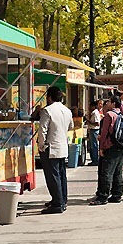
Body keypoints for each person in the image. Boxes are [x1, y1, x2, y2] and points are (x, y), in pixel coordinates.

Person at [38, 86, 74, 214]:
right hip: (62, 146)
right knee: (61, 175)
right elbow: (71, 127)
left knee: (53, 176)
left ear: (49, 97)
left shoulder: (47, 111)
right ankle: (62, 199)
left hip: (50, 147)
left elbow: (42, 130)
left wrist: (41, 145)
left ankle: (58, 203)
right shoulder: (67, 111)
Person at [90, 95, 123, 205]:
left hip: (110, 147)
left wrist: (101, 148)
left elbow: (105, 132)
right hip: (120, 146)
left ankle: (103, 196)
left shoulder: (109, 115)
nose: (107, 103)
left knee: (106, 172)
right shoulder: (121, 115)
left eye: (109, 101)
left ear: (114, 103)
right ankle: (117, 194)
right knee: (117, 172)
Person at [86, 100, 101, 166]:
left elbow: (97, 123)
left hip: (94, 130)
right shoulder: (93, 113)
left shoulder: (95, 113)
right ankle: (94, 159)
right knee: (92, 146)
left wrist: (89, 122)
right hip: (92, 130)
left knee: (94, 146)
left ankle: (95, 160)